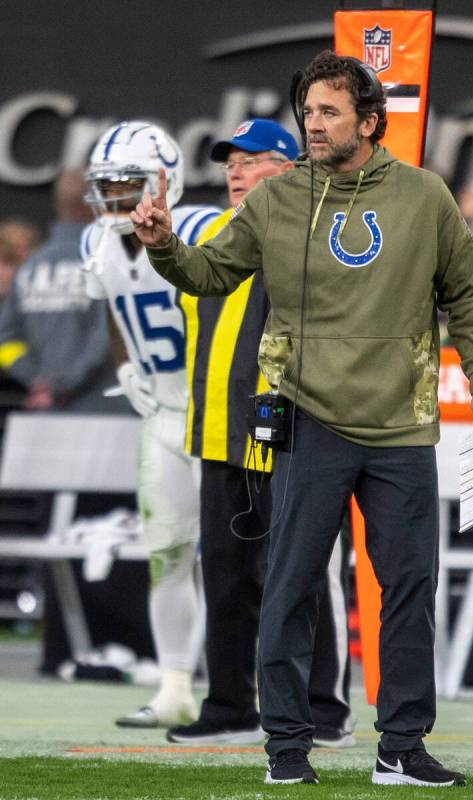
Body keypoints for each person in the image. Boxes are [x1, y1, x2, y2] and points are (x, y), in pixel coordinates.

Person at [132, 51, 473, 787]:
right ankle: (286, 750)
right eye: (309, 112)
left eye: (329, 112)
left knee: (408, 589)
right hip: (309, 419)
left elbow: (466, 292)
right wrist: (164, 247)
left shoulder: (426, 196)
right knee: (290, 584)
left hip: (403, 424)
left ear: (370, 121)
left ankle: (401, 747)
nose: (314, 123)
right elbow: (212, 277)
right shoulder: (275, 201)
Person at [167, 118, 353, 748]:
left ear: (290, 166)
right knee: (223, 574)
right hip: (218, 428)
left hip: (287, 431)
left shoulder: (310, 230)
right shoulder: (214, 235)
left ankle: (323, 707)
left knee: (299, 568)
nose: (236, 172)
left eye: (253, 160)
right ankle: (228, 704)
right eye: (230, 162)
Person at [80, 120, 221, 728]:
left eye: (127, 184)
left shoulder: (199, 228)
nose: (115, 198)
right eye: (107, 186)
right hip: (162, 414)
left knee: (235, 562)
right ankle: (174, 686)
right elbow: (116, 307)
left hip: (214, 414)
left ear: (166, 182)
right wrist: (127, 365)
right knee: (167, 554)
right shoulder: (98, 243)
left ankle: (246, 689)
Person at [0, 169, 117, 413]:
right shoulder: (107, 263)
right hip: (102, 416)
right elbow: (108, 333)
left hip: (44, 411)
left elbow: (6, 340)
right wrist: (63, 384)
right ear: (95, 205)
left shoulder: (29, 268)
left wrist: (36, 380)